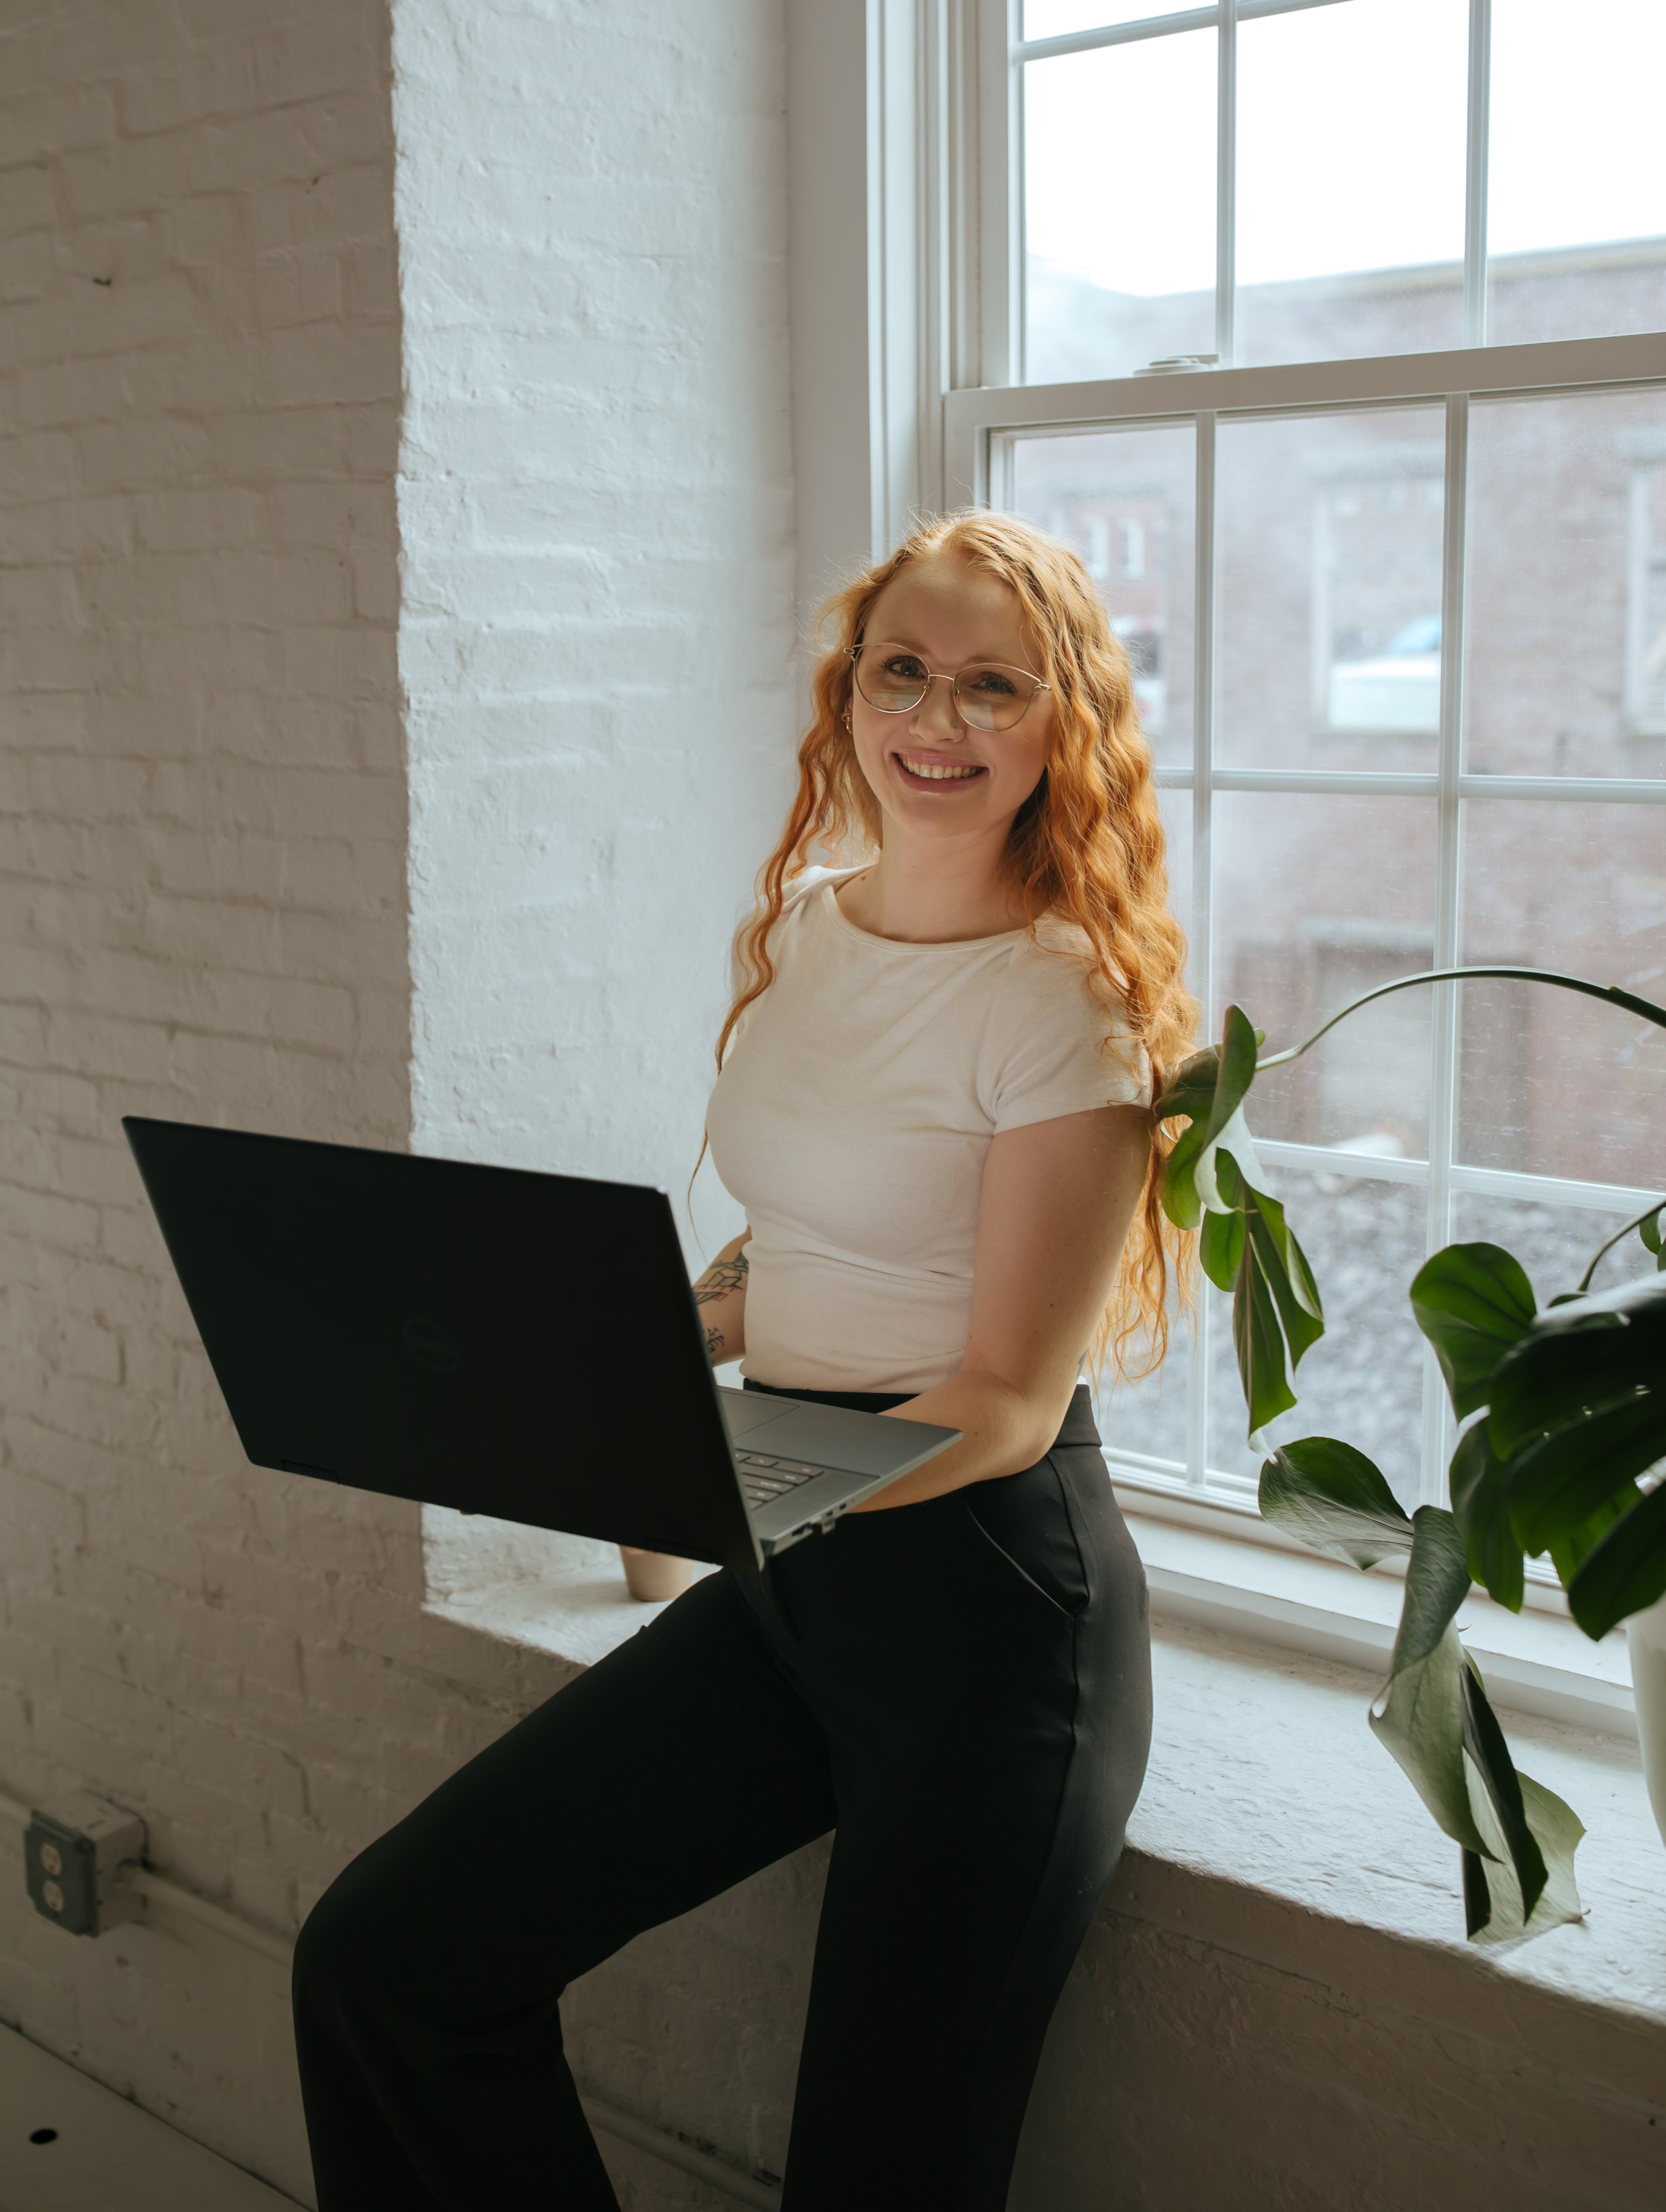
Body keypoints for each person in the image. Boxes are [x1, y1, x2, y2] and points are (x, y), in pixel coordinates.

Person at [292, 512, 1197, 2211]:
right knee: (385, 1964)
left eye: (992, 684)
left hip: (988, 1619)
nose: (936, 718)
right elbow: (812, 1235)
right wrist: (652, 1337)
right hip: (804, 1590)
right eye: (900, 671)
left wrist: (703, 1476)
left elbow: (1003, 1400)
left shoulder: (1065, 1008)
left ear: (1059, 720)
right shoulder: (801, 927)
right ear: (846, 693)